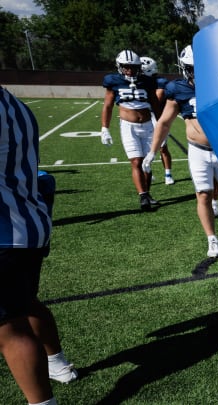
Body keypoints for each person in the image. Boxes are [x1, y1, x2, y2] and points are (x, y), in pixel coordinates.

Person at [1, 85, 78, 405]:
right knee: (25, 302)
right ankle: (58, 364)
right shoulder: (14, 103)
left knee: (8, 329)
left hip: (5, 230)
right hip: (28, 223)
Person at [142, 45, 218, 258]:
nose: (198, 73)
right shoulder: (178, 89)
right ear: (186, 68)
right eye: (193, 68)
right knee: (203, 195)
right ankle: (211, 238)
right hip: (198, 150)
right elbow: (164, 122)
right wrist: (152, 151)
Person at [100, 49, 163, 211]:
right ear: (120, 67)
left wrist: (161, 124)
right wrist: (104, 128)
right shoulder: (113, 81)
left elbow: (155, 104)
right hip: (128, 126)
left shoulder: (147, 81)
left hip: (148, 125)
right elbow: (107, 105)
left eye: (133, 67)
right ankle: (142, 195)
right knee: (136, 161)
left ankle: (147, 193)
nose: (130, 70)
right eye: (126, 67)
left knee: (147, 163)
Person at [140, 56, 175, 185]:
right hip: (145, 117)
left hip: (158, 117)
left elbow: (157, 98)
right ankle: (149, 172)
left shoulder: (160, 81)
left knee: (162, 147)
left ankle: (168, 174)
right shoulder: (139, 81)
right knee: (144, 148)